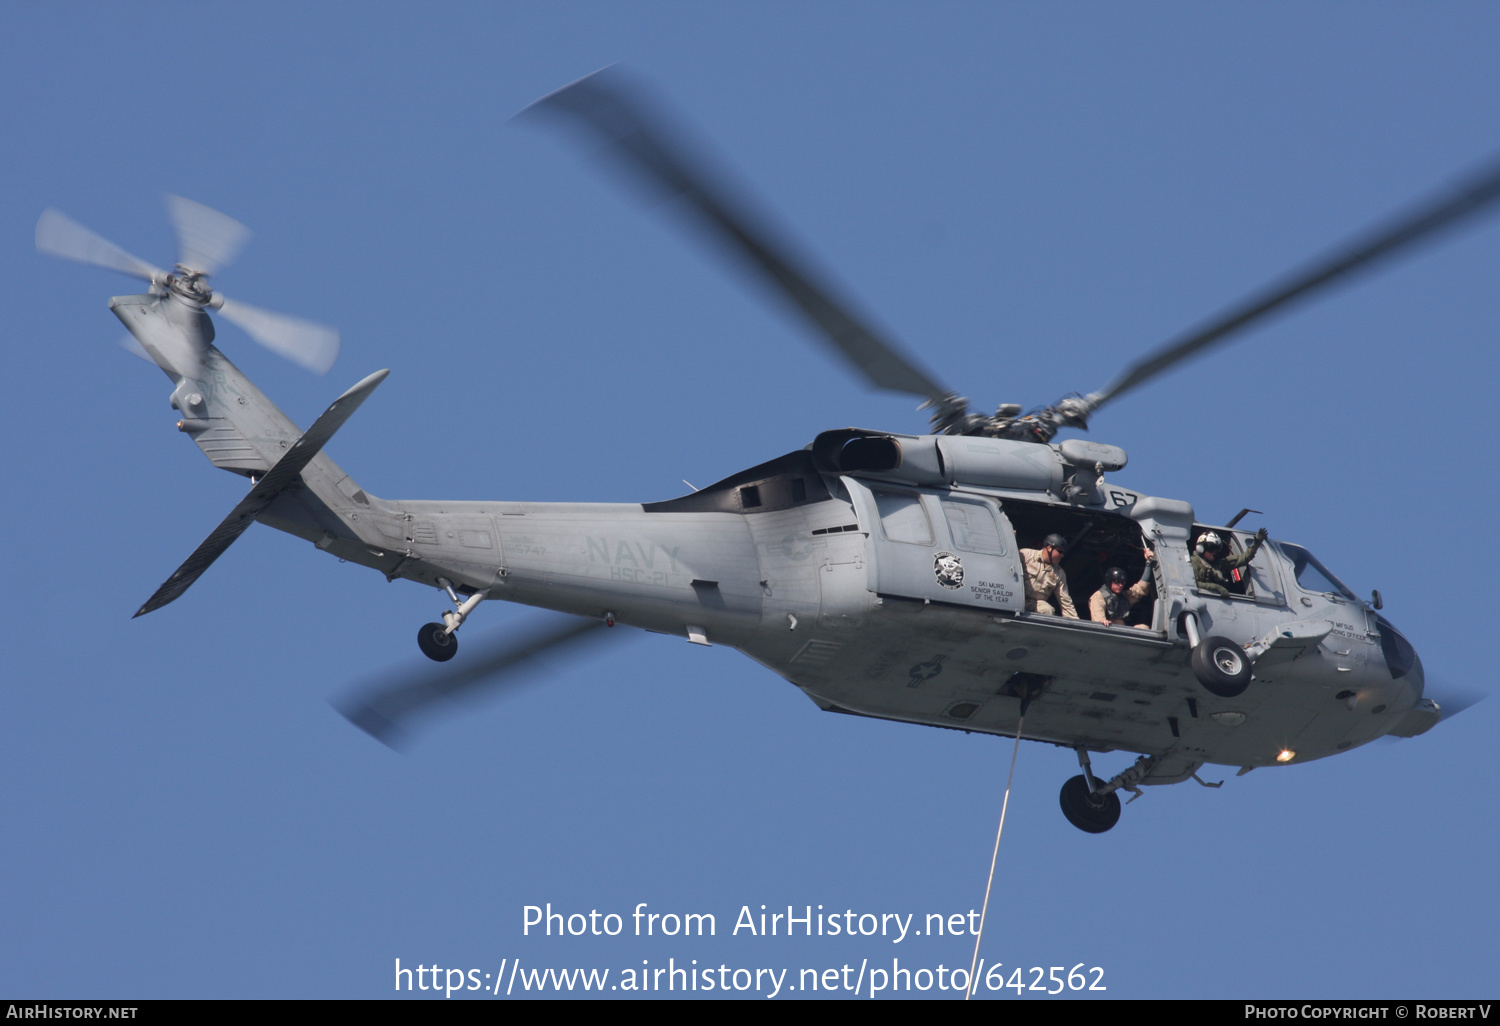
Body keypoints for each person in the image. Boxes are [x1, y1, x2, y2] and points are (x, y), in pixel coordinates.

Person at [1193, 527, 1268, 598]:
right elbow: (1193, 583)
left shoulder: (1218, 564)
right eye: (1212, 548)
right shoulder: (1193, 563)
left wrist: (1256, 544)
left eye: (1217, 549)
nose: (1214, 552)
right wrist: (1217, 588)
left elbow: (1243, 559)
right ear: (1201, 548)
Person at [1090, 548, 1156, 627]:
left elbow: (1141, 588)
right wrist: (1102, 621)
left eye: (1122, 583)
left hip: (1121, 629)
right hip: (1108, 630)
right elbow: (1099, 620)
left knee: (1143, 627)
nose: (1120, 585)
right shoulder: (1099, 596)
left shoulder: (1124, 596)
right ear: (1109, 581)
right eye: (1117, 582)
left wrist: (1149, 563)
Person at [1020, 533, 1078, 618]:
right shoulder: (1026, 555)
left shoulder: (1059, 573)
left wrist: (1075, 622)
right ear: (1049, 548)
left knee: (1047, 610)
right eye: (1060, 551)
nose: (1062, 555)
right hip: (1017, 598)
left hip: (1034, 604)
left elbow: (1065, 600)